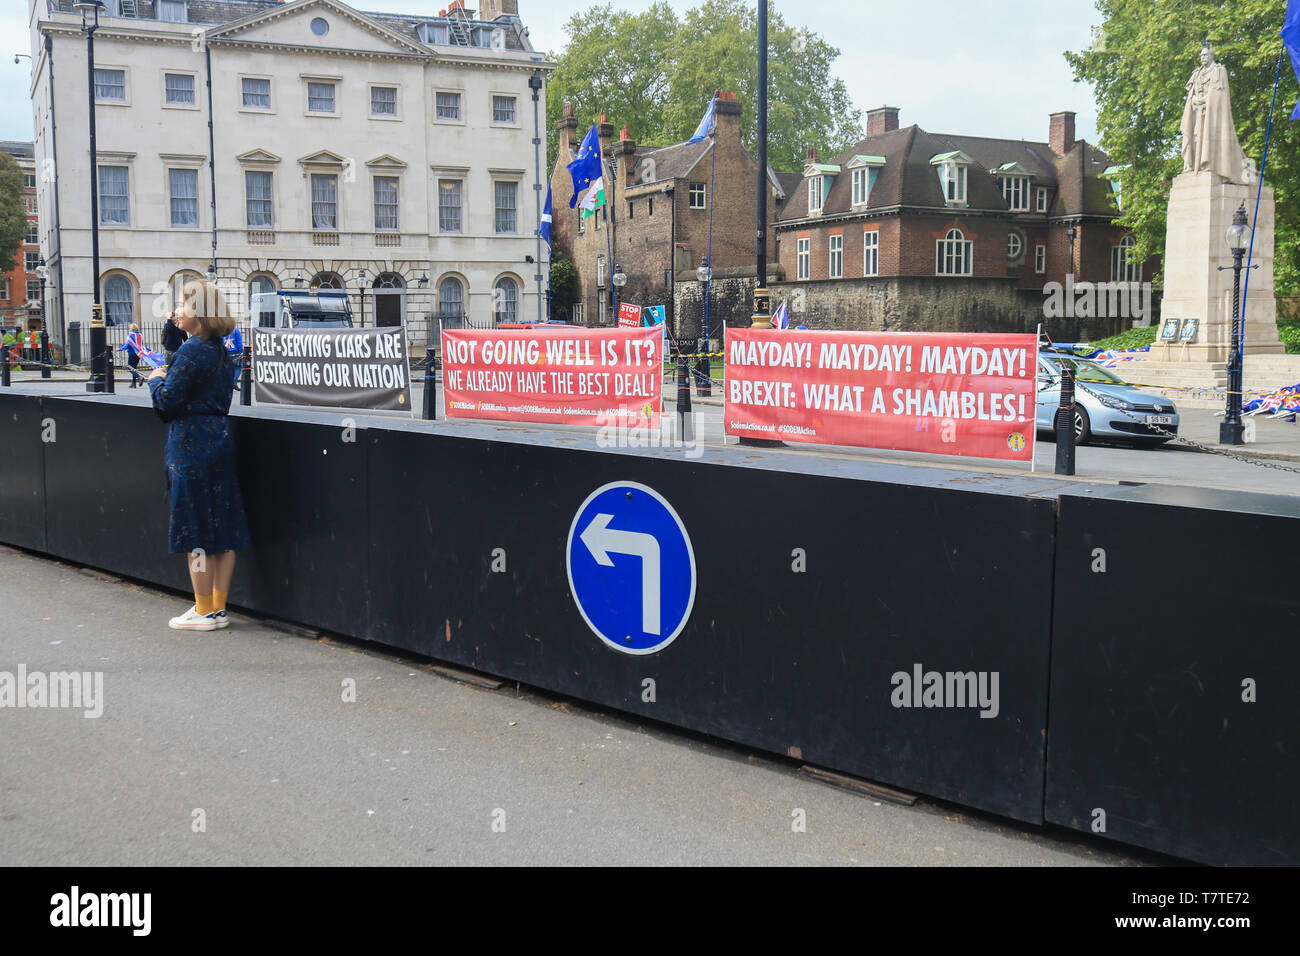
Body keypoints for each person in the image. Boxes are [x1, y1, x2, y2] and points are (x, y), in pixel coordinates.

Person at [147, 279, 251, 631]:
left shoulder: (193, 351)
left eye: (184, 305)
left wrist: (155, 379)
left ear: (201, 313)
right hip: (219, 441)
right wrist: (176, 331)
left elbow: (166, 402)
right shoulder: (220, 351)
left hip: (190, 443)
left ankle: (202, 610)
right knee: (223, 529)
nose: (178, 310)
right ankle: (217, 609)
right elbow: (188, 366)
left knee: (196, 532)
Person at [1180, 43, 1252, 183]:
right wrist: (1194, 99)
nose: (1202, 58)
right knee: (1194, 138)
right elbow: (1190, 93)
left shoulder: (1219, 71)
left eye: (1205, 55)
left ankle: (1211, 165)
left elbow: (1220, 95)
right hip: (1197, 112)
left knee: (1212, 138)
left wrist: (1206, 100)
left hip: (1213, 114)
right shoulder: (1196, 74)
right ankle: (1195, 164)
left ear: (1212, 55)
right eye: (1201, 55)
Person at [120, 322, 143, 387]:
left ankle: (139, 377)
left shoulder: (131, 335)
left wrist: (119, 349)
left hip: (132, 354)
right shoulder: (139, 335)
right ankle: (133, 384)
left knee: (130, 368)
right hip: (138, 354)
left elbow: (127, 345)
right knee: (134, 368)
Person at [223, 323, 243, 390]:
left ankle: (229, 383)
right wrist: (241, 351)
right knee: (238, 368)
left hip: (226, 352)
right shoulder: (236, 330)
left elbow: (221, 341)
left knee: (228, 369)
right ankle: (234, 383)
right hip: (235, 352)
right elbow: (239, 342)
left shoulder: (222, 330)